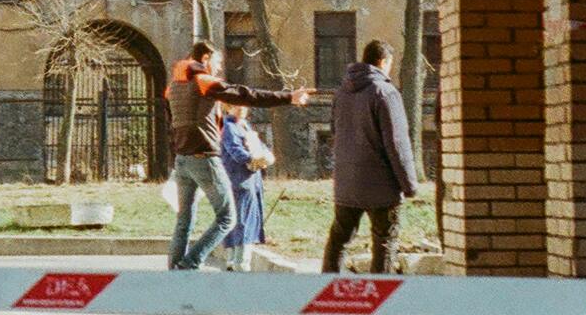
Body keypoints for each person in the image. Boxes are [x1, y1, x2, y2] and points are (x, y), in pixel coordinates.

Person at [164, 40, 306, 270]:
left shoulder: (173, 86)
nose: (219, 69)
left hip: (182, 160)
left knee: (184, 221)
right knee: (227, 218)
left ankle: (175, 271)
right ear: (206, 58)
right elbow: (244, 95)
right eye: (218, 62)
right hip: (204, 159)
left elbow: (170, 119)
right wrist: (288, 97)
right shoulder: (203, 81)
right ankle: (190, 263)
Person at [325, 38, 422, 275]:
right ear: (383, 62)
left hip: (347, 183)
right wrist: (409, 185)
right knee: (384, 242)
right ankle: (380, 302)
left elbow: (334, 134)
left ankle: (327, 294)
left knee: (339, 239)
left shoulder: (341, 93)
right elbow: (397, 143)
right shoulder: (385, 93)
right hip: (381, 186)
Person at [214, 109, 273, 270]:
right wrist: (254, 158)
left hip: (251, 179)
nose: (242, 109)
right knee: (242, 221)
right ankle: (241, 263)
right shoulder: (228, 126)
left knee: (245, 219)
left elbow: (259, 146)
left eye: (244, 105)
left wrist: (266, 155)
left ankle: (233, 261)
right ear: (228, 106)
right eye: (237, 105)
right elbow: (235, 151)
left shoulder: (244, 125)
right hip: (238, 179)